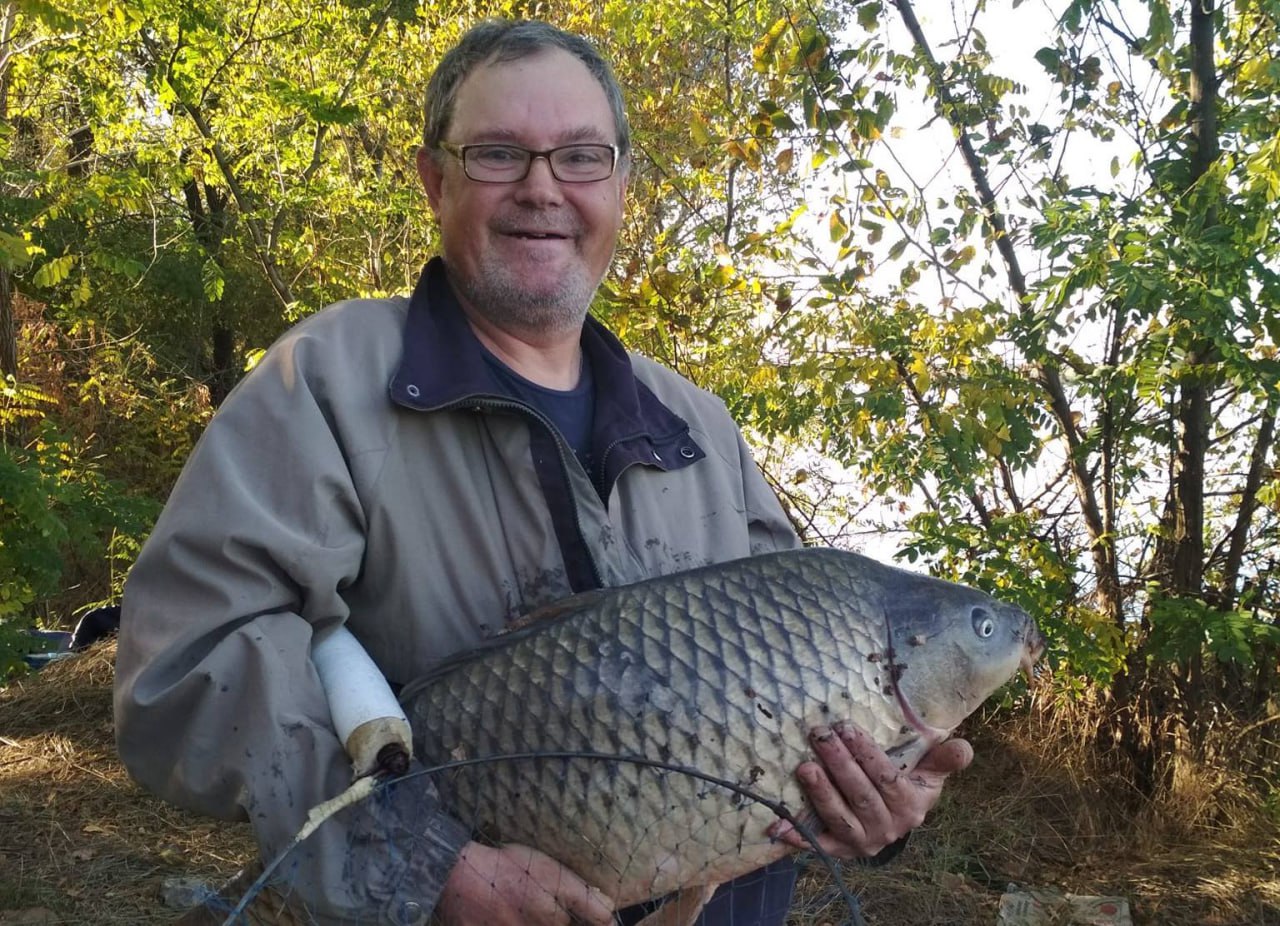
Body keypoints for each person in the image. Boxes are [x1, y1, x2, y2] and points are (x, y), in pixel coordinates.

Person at [114, 19, 973, 926]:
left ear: (621, 186)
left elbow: (816, 702)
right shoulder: (322, 382)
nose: (541, 189)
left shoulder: (698, 427)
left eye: (580, 157)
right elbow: (185, 667)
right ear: (433, 180)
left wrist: (883, 798)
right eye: (497, 154)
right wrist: (423, 870)